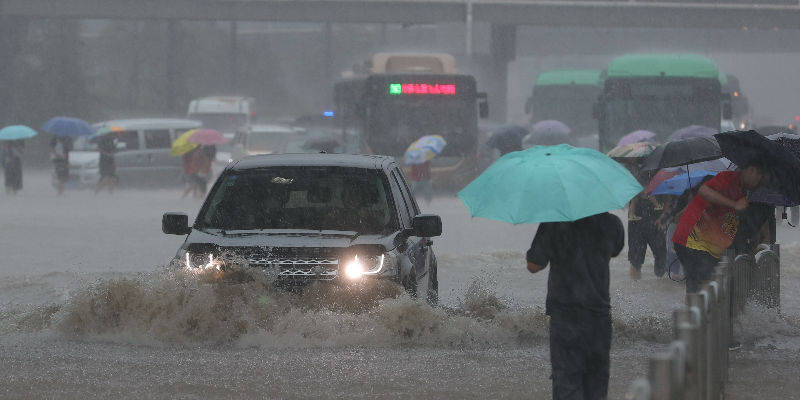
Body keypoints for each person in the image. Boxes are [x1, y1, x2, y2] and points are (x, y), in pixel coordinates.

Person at [526, 212, 625, 400]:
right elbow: (615, 249)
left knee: (567, 381)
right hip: (599, 316)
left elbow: (533, 265)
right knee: (596, 382)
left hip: (566, 315)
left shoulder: (555, 222)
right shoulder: (611, 222)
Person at [672, 162, 766, 293]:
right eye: (759, 175)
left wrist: (755, 233)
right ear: (750, 169)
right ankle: (696, 310)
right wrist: (734, 204)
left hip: (708, 245)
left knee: (705, 285)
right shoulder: (728, 178)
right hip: (693, 239)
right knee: (702, 286)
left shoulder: (744, 192)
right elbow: (704, 190)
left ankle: (697, 310)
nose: (760, 181)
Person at [627, 170, 666, 280]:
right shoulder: (637, 171)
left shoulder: (663, 172)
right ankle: (636, 288)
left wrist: (663, 216)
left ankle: (660, 286)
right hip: (638, 219)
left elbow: (669, 198)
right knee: (636, 259)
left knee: (660, 255)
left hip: (654, 218)